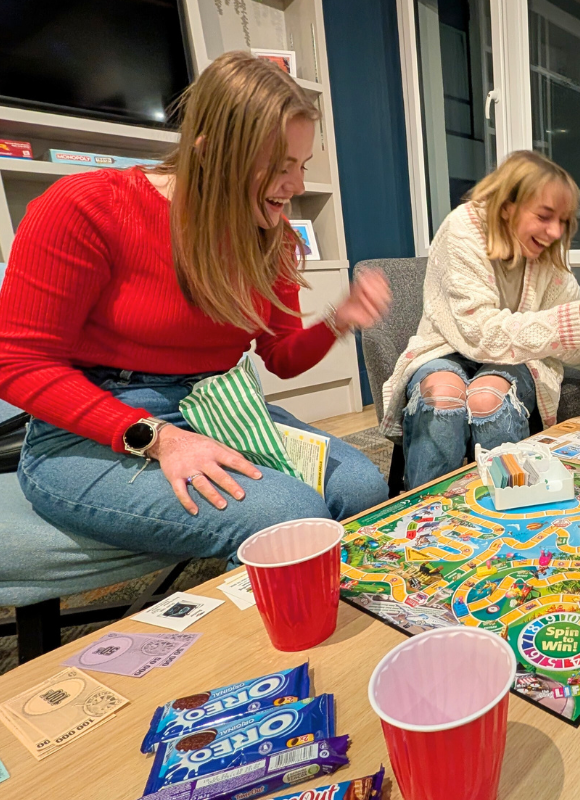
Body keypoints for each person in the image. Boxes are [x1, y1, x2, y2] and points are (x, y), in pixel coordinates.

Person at [0, 52, 392, 561]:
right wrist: (160, 439)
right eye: (279, 168)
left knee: (362, 489)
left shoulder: (270, 237)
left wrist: (338, 321)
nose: (295, 187)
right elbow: (18, 364)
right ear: (209, 154)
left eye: (301, 167)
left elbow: (281, 356)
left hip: (215, 407)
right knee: (288, 513)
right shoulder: (86, 206)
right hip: (88, 430)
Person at [379, 150, 580, 490]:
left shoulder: (548, 257)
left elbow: (569, 344)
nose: (555, 231)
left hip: (518, 359)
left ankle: (510, 510)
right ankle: (427, 513)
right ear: (506, 206)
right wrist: (571, 320)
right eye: (545, 216)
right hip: (446, 348)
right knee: (441, 397)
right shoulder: (463, 229)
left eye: (563, 220)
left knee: (489, 399)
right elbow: (479, 332)